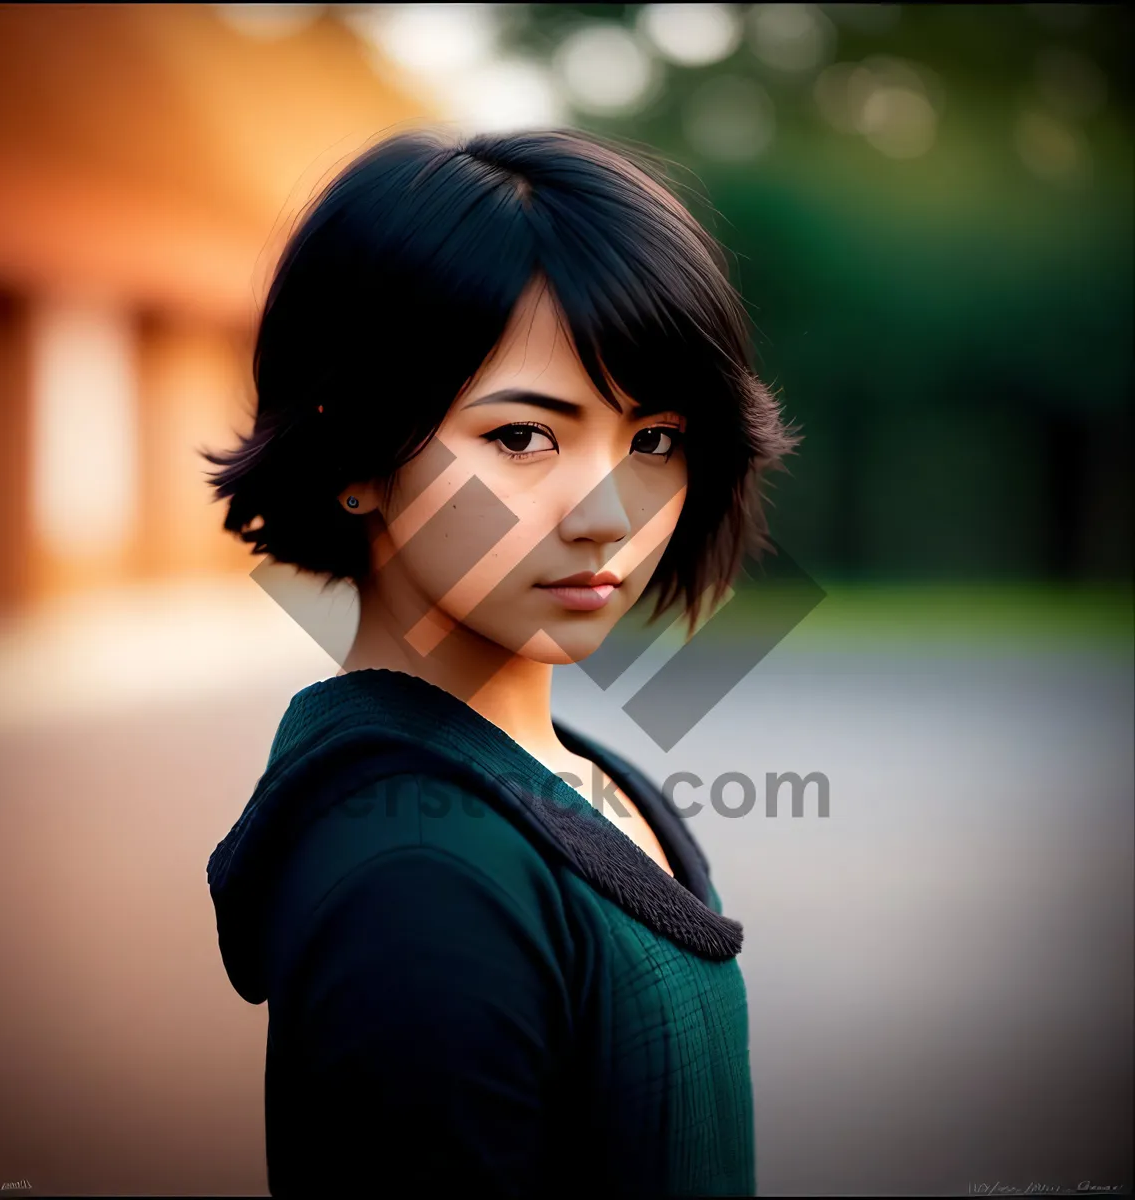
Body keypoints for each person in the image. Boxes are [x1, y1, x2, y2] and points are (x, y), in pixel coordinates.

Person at [204, 124, 798, 1198]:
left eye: (654, 439)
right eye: (524, 437)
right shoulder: (422, 880)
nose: (608, 516)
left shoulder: (557, 775)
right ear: (354, 454)